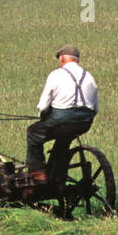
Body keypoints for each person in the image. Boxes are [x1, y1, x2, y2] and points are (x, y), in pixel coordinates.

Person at [26, 44, 98, 183]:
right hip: (84, 123)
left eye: (60, 59)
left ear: (63, 58)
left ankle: (37, 173)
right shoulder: (89, 77)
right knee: (63, 141)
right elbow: (95, 108)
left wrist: (43, 117)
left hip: (62, 121)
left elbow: (43, 105)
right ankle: (57, 176)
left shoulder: (56, 74)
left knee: (33, 132)